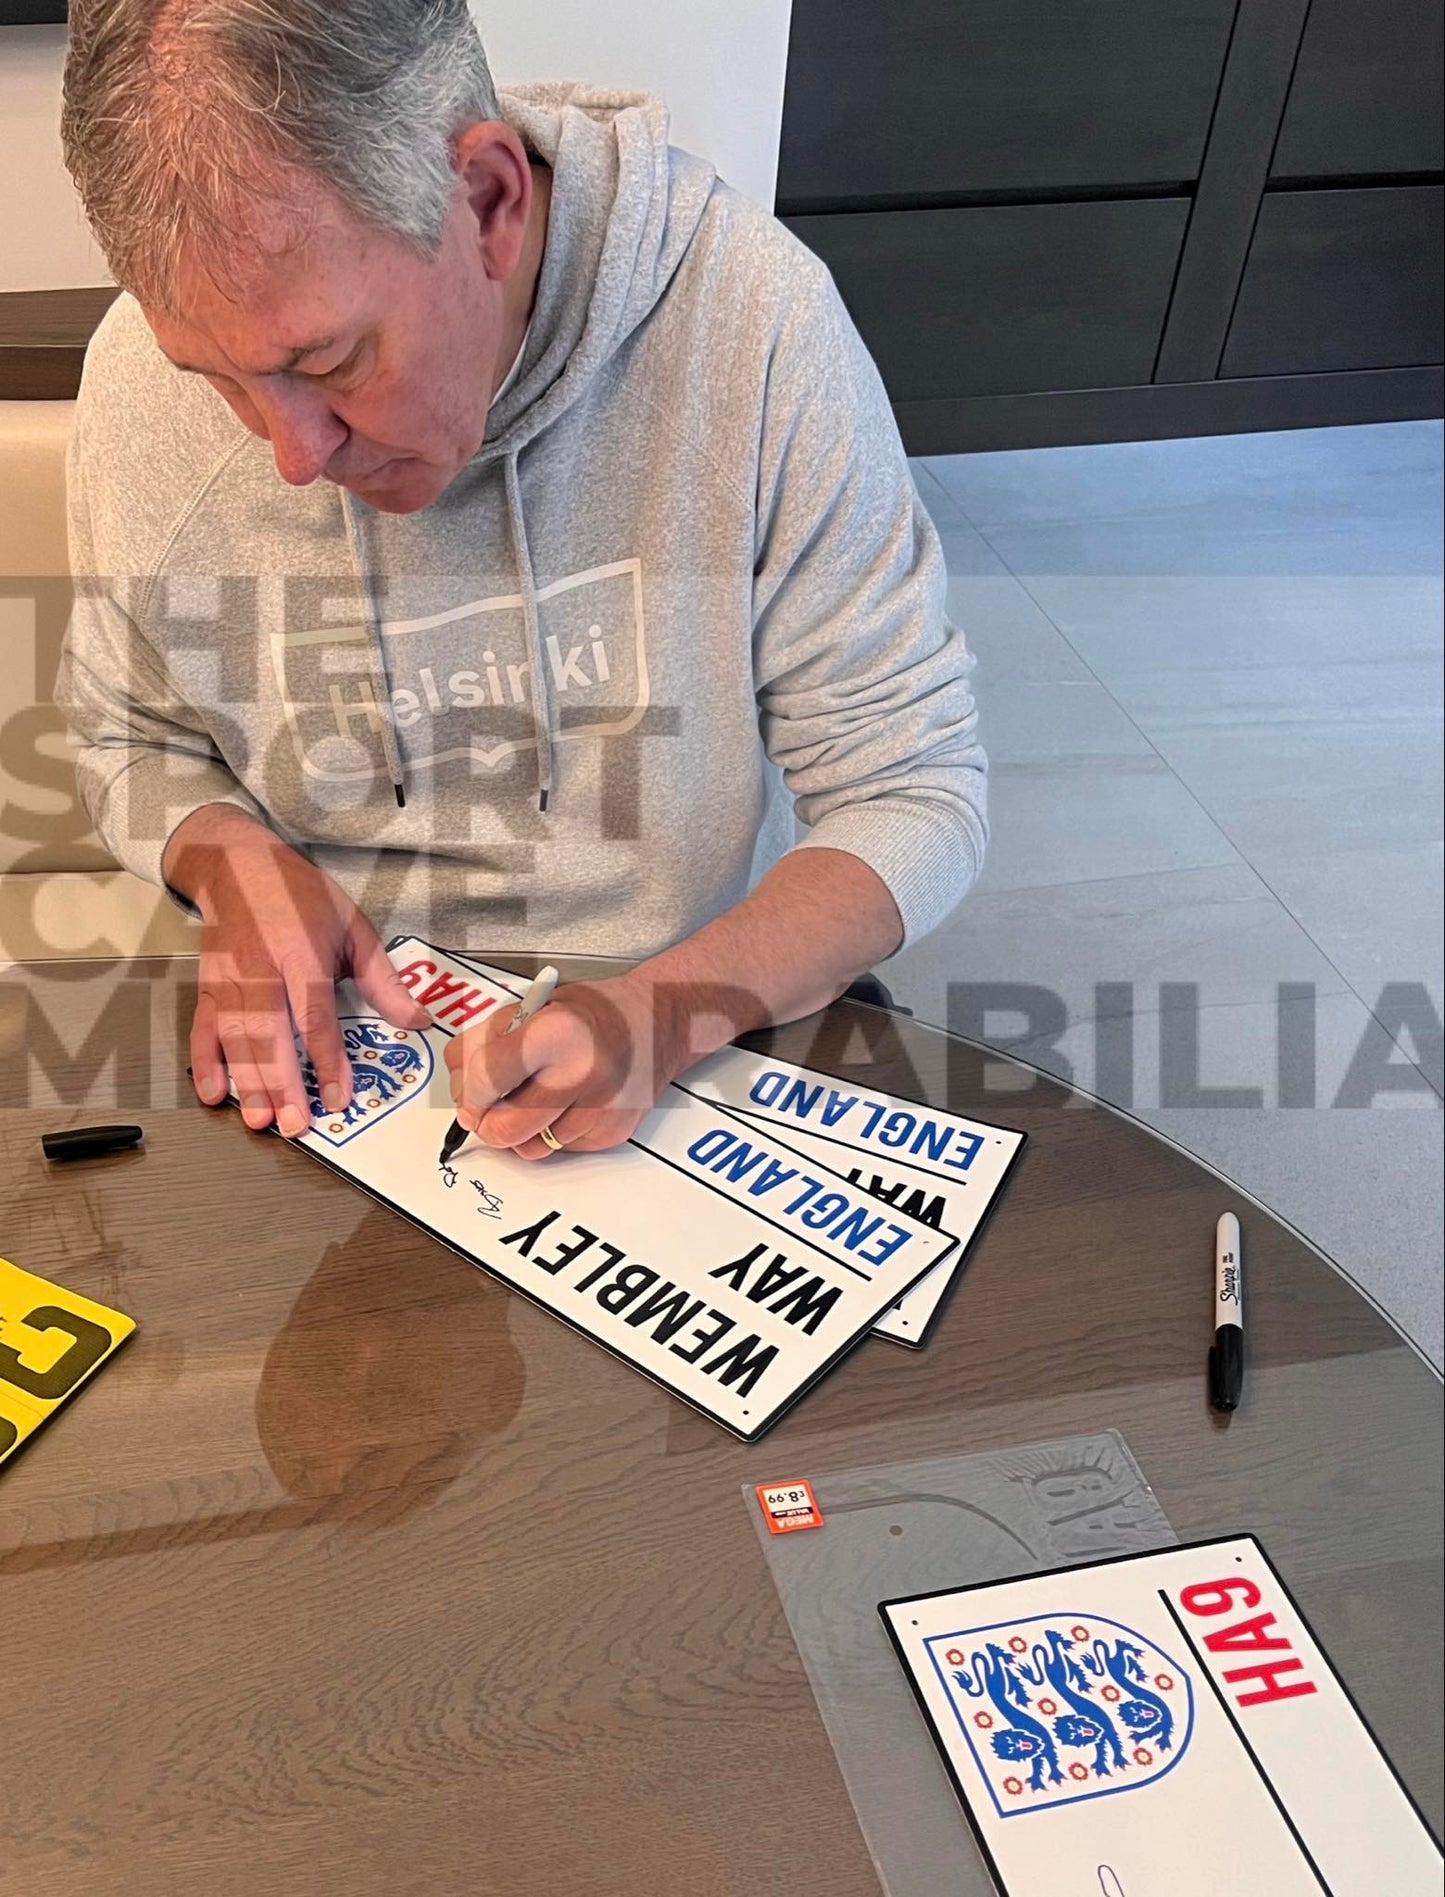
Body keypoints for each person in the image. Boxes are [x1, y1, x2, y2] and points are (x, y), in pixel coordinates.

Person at [57, 1, 986, 1162]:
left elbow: (912, 793)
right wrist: (230, 858)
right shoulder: (136, 384)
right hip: (329, 1067)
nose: (290, 457)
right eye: (216, 379)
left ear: (489, 199)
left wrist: (659, 1009)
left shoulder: (752, 326)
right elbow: (124, 737)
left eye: (330, 361)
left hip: (683, 1034)